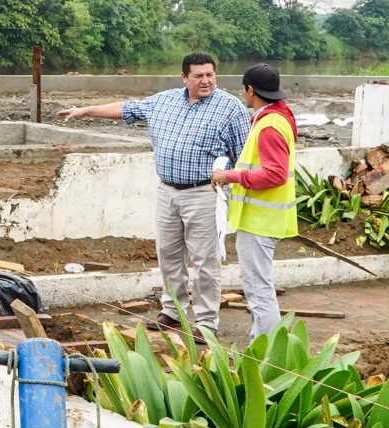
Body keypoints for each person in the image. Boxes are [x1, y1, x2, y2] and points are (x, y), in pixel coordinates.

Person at [58, 52, 249, 338]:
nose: (205, 80)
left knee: (204, 260)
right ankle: (173, 310)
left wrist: (230, 180)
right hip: (168, 190)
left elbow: (243, 154)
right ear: (184, 77)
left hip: (204, 193)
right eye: (198, 76)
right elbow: (128, 109)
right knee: (168, 255)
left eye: (210, 74)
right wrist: (87, 111)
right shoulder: (165, 100)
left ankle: (206, 321)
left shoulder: (230, 108)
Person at [211, 63, 298, 341]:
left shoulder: (270, 125)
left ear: (250, 90)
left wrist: (230, 175)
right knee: (259, 287)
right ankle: (260, 346)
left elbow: (275, 174)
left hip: (260, 221)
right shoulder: (276, 116)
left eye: (244, 90)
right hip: (264, 219)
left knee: (258, 290)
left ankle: (266, 355)